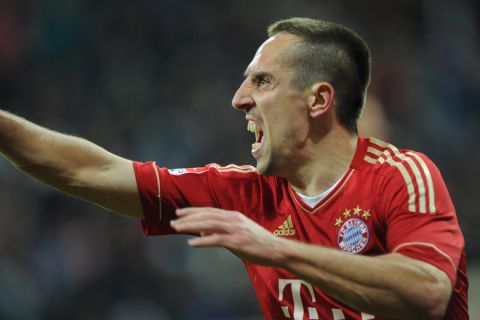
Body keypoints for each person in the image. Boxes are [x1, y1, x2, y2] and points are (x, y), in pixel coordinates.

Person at [0, 17, 468, 319]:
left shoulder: (401, 175)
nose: (239, 98)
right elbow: (91, 172)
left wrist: (279, 251)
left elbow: (426, 293)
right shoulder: (244, 194)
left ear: (319, 99)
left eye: (261, 81)